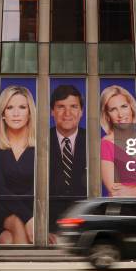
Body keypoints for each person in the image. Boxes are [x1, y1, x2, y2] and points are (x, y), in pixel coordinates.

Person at [0, 85, 36, 244]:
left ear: (29, 112)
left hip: (32, 211)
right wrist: (27, 218)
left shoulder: (40, 146)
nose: (16, 113)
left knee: (7, 239)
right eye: (10, 107)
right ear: (3, 113)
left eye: (22, 107)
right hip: (3, 210)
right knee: (18, 223)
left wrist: (31, 216)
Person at [48, 85, 87, 244]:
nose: (67, 113)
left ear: (81, 112)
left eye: (73, 107)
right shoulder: (39, 139)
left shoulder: (94, 141)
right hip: (48, 230)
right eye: (61, 107)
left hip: (84, 229)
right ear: (52, 111)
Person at [100, 85, 136, 197]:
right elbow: (116, 193)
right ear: (107, 116)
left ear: (131, 108)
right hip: (126, 211)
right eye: (113, 109)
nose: (120, 114)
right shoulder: (106, 144)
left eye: (124, 106)